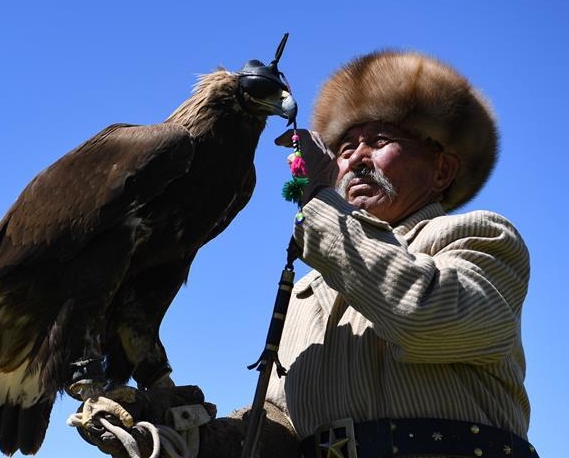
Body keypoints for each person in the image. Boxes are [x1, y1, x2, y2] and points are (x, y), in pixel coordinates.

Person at [73, 50, 538, 458]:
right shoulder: (308, 293)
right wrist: (191, 438)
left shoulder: (478, 238)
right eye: (345, 148)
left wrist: (320, 200)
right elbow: (285, 425)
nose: (355, 159)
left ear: (442, 170)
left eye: (379, 142)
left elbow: (425, 316)